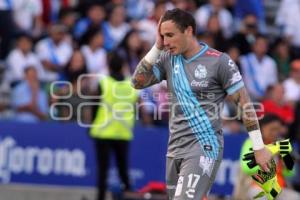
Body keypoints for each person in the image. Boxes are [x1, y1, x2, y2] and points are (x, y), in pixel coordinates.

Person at [131, 8, 272, 199]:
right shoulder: (168, 59)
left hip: (204, 147)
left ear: (188, 31)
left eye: (170, 35)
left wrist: (259, 146)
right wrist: (156, 46)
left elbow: (245, 104)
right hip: (174, 148)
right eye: (163, 36)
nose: (166, 42)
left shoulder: (220, 62)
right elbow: (137, 81)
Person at [90, 52, 139, 200]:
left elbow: (94, 106)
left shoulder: (104, 83)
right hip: (123, 132)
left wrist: (91, 125)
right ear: (123, 67)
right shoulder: (132, 85)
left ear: (109, 67)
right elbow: (135, 108)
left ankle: (100, 197)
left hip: (103, 132)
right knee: (123, 171)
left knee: (103, 172)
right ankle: (129, 197)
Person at [234, 115, 299, 200]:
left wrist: (285, 161)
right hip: (255, 187)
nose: (275, 133)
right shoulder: (251, 143)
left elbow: (290, 173)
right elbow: (247, 169)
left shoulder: (282, 144)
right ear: (261, 128)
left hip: (278, 189)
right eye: (272, 129)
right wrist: (270, 152)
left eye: (278, 130)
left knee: (295, 197)